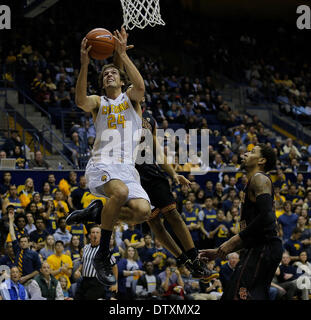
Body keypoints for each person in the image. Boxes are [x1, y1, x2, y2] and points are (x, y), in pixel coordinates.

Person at [68, 27, 151, 286]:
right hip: (102, 163)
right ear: (102, 82)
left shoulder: (131, 100)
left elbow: (140, 86)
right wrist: (84, 64)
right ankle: (103, 254)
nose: (109, 74)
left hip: (127, 168)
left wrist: (122, 55)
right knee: (120, 194)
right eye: (105, 74)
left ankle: (98, 213)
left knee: (142, 212)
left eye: (113, 71)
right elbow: (80, 100)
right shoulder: (99, 102)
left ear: (121, 78)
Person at [200, 144, 283, 300]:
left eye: (252, 152)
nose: (245, 153)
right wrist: (218, 252)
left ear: (262, 160)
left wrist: (233, 240)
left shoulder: (260, 178)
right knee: (234, 294)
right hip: (260, 247)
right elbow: (253, 233)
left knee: (239, 296)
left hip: (264, 248)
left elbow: (268, 217)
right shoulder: (252, 182)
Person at [73, 225, 118, 300]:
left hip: (97, 282)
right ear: (90, 235)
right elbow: (83, 262)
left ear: (101, 235)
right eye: (93, 232)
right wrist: (78, 270)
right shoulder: (86, 247)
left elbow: (114, 266)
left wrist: (115, 283)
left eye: (97, 232)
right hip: (84, 280)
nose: (95, 234)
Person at [8, 210, 41, 285]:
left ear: (29, 243)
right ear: (19, 243)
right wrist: (11, 220)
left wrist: (26, 277)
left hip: (29, 280)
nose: (23, 243)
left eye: (25, 241)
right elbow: (12, 235)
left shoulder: (34, 254)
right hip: (16, 280)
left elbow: (38, 270)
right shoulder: (17, 250)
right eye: (21, 242)